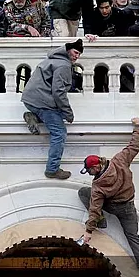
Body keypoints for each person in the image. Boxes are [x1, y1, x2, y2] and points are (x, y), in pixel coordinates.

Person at [78, 117, 139, 277]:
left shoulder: (98, 186)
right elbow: (134, 146)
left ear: (96, 167)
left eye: (89, 170)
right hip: (128, 206)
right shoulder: (119, 161)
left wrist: (89, 230)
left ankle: (101, 221)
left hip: (113, 207)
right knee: (133, 237)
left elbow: (94, 208)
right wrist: (137, 126)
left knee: (84, 192)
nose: (89, 173)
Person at [21, 39, 83, 180]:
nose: (76, 56)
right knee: (59, 132)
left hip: (31, 100)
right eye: (75, 52)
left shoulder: (52, 59)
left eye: (79, 54)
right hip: (42, 101)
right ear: (67, 51)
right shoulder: (63, 65)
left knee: (55, 115)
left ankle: (34, 116)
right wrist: (69, 114)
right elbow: (58, 92)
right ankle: (52, 169)